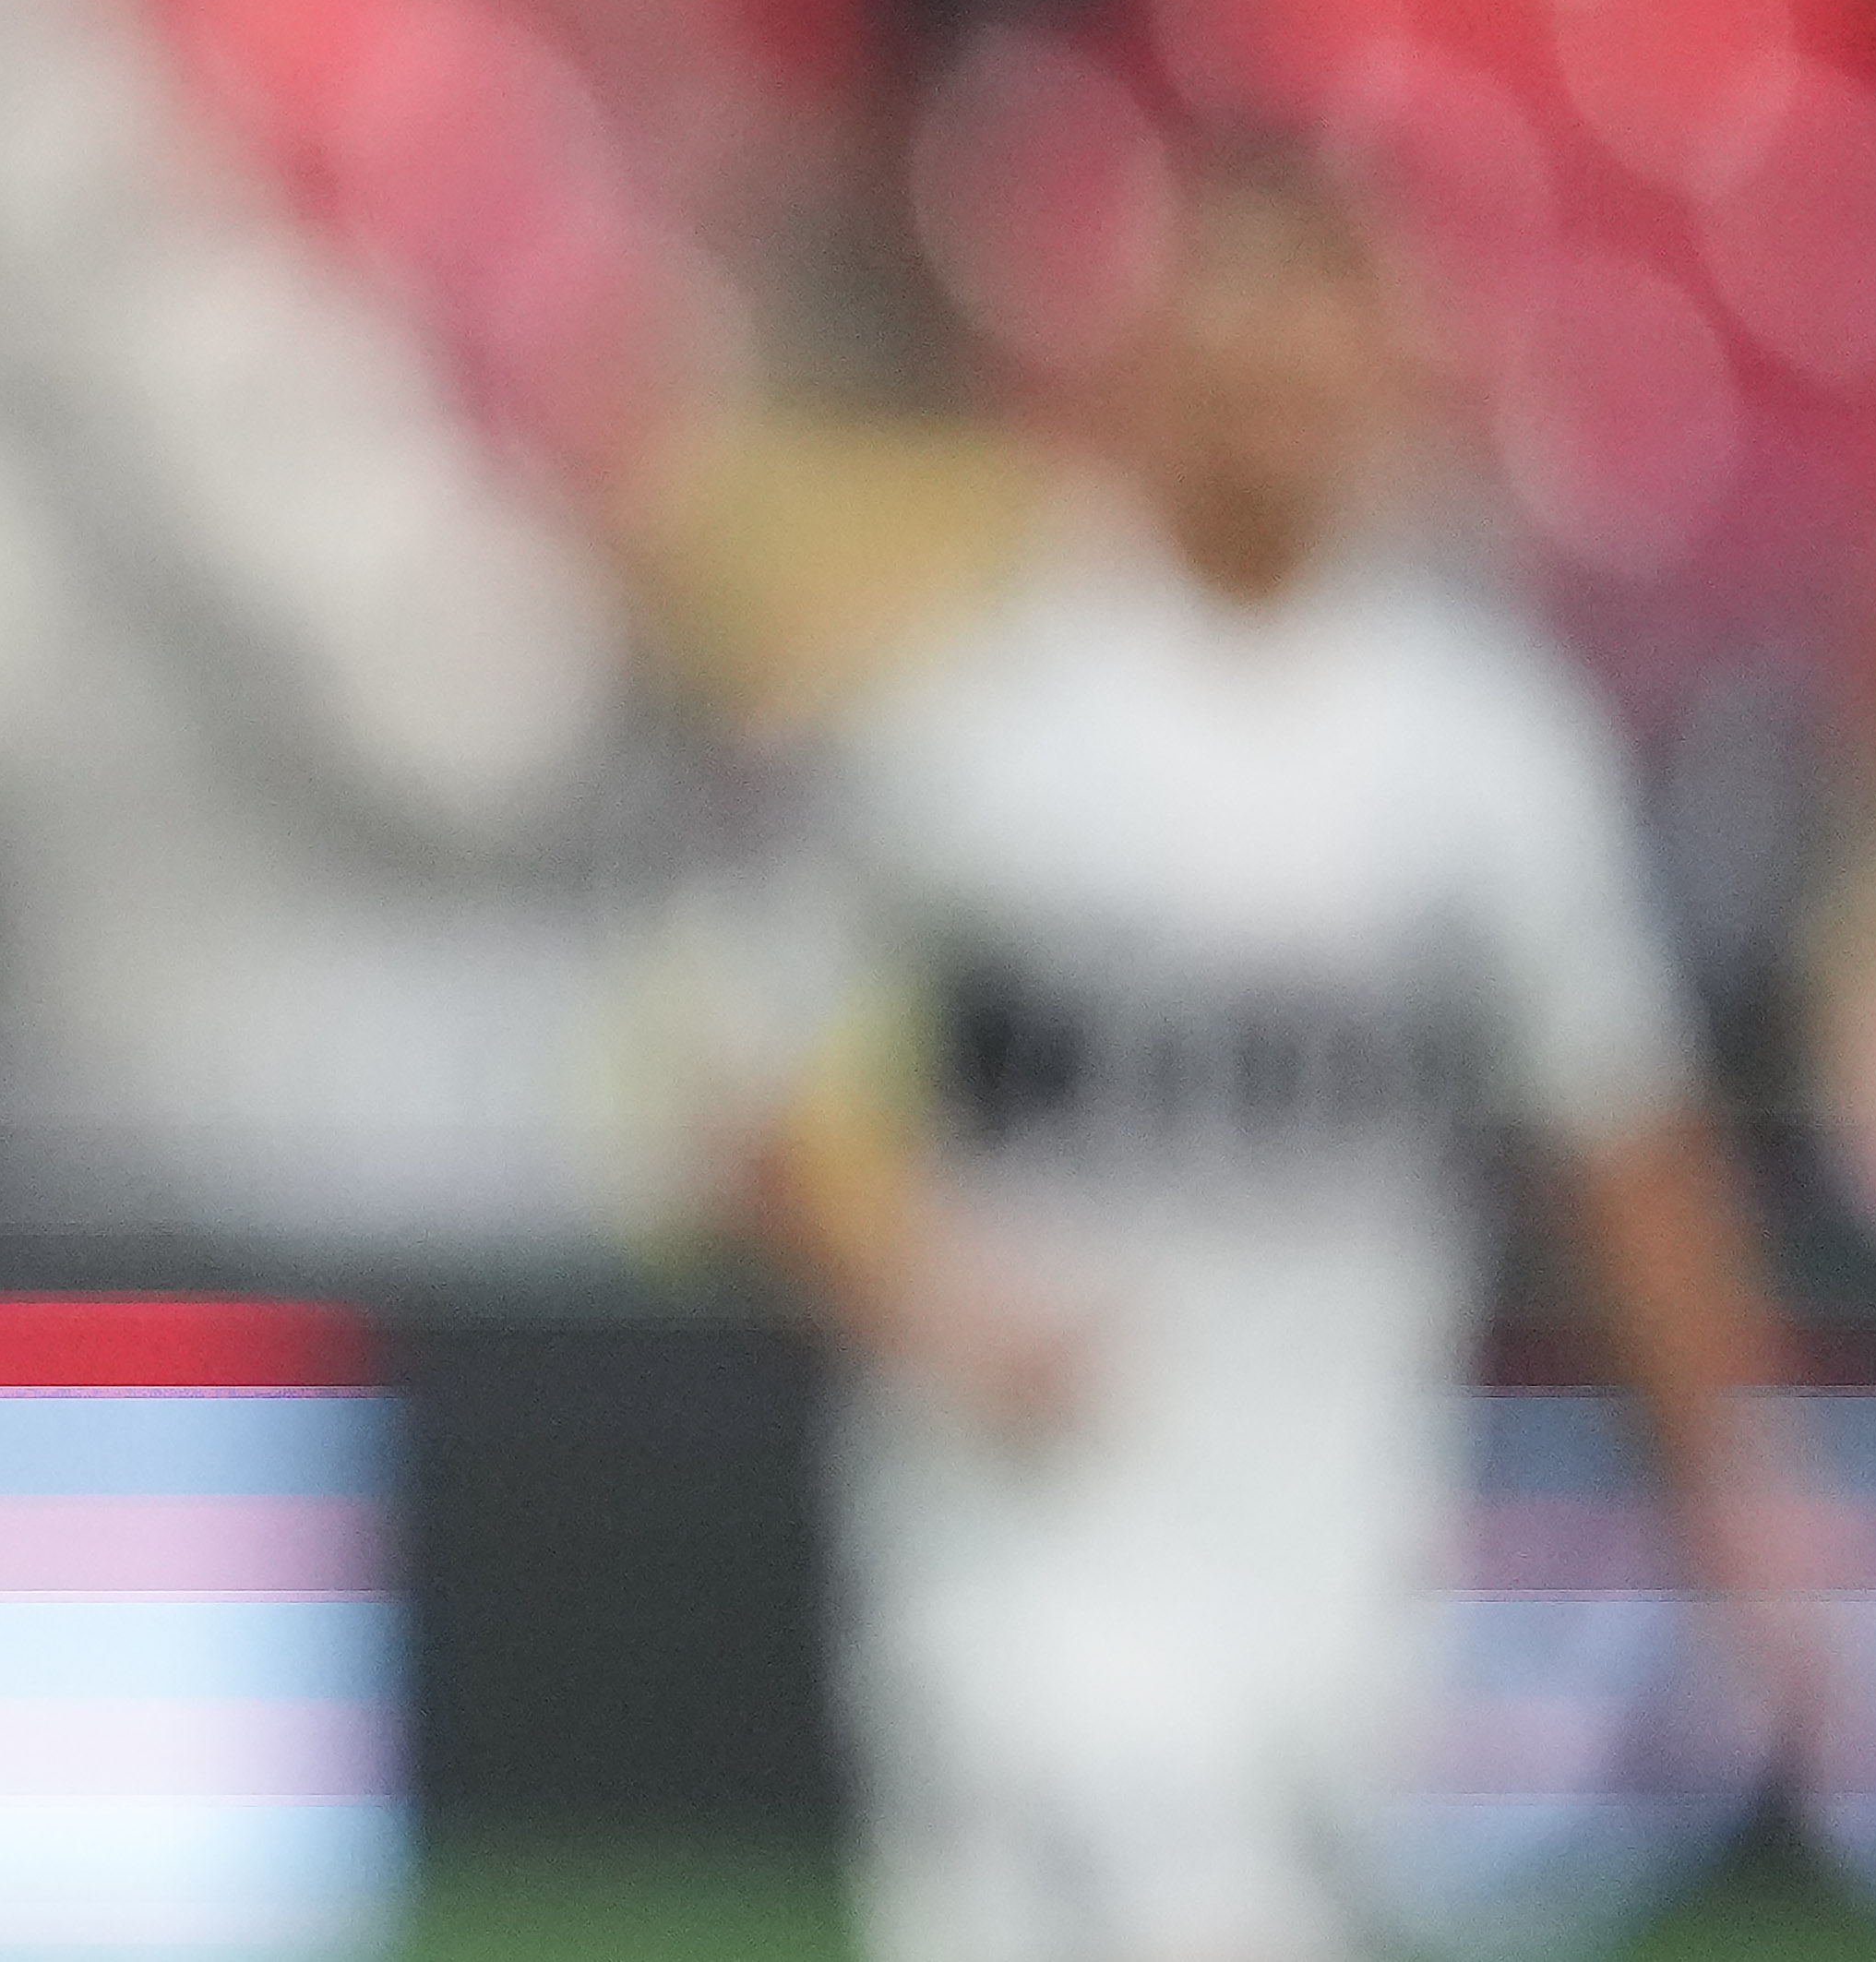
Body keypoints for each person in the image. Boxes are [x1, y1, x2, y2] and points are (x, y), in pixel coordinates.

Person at [740, 147, 1820, 1962]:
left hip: (1337, 1561)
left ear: (1387, 384)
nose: (1275, 414)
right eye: (1237, 362)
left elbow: (1624, 1143)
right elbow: (755, 1087)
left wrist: (1741, 1488)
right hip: (1023, 1561)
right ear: (1148, 370)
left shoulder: (1486, 746)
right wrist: (925, 1296)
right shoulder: (980, 704)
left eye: (1316, 367)